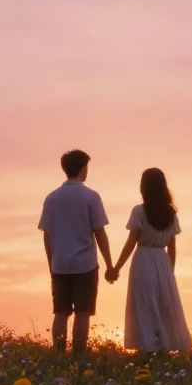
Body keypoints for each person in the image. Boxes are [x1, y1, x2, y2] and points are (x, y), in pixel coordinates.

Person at [38, 150, 115, 356]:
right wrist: (109, 265)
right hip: (85, 264)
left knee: (61, 312)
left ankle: (59, 355)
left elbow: (47, 235)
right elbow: (100, 233)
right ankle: (79, 357)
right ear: (83, 168)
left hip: (60, 263)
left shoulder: (52, 198)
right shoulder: (91, 196)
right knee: (83, 313)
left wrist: (51, 263)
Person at [107, 168, 191, 352]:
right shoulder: (170, 213)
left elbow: (131, 242)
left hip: (144, 259)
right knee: (163, 303)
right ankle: (164, 344)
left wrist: (116, 267)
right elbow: (172, 246)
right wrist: (170, 271)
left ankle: (147, 346)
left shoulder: (139, 211)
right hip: (163, 260)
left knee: (145, 302)